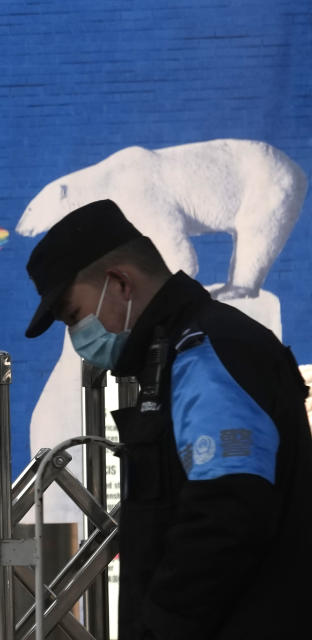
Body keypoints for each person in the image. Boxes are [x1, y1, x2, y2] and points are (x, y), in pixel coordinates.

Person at [24, 199, 312, 639]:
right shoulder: (176, 353)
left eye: (74, 316)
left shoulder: (206, 351)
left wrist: (158, 630)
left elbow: (226, 514)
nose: (77, 337)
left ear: (119, 282)